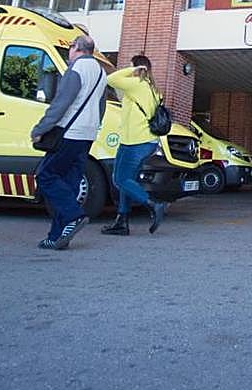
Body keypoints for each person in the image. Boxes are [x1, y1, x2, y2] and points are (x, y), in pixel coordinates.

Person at [29, 34, 107, 251]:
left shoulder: (76, 70)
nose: (69, 53)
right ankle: (57, 237)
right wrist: (93, 127)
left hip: (69, 132)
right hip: (87, 134)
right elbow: (101, 107)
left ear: (77, 48)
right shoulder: (101, 72)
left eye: (70, 47)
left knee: (46, 176)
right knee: (70, 183)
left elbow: (61, 103)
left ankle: (74, 215)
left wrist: (40, 129)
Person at [101, 55, 169, 236]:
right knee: (126, 180)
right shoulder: (153, 88)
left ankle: (153, 205)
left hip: (136, 141)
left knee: (120, 179)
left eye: (130, 66)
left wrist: (133, 69)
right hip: (139, 140)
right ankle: (121, 222)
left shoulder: (137, 84)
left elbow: (111, 79)